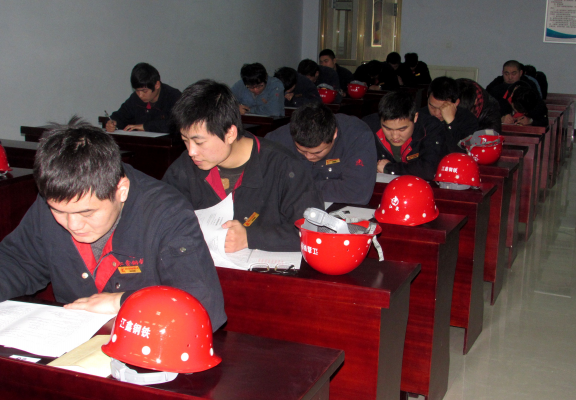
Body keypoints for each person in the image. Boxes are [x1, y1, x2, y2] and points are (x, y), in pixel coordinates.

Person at [0, 118, 226, 330]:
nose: (73, 224)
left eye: (87, 213)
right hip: (72, 337)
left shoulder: (167, 213)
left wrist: (122, 302)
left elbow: (202, 306)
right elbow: (17, 262)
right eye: (59, 211)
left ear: (121, 190)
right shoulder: (56, 199)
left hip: (146, 341)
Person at [162, 80, 323, 252]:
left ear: (230, 133)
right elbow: (161, 215)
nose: (191, 151)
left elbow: (315, 233)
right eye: (185, 140)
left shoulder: (283, 166)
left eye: (199, 142)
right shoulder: (186, 166)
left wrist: (250, 237)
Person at [266, 102, 377, 205]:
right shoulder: (276, 140)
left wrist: (296, 188)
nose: (308, 157)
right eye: (301, 151)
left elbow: (358, 193)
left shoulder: (357, 135)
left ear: (334, 134)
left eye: (317, 152)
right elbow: (267, 187)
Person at [362, 91, 444, 181]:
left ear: (415, 117)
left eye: (402, 129)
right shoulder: (367, 126)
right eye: (388, 129)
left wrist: (389, 168)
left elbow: (428, 170)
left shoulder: (430, 127)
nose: (395, 136)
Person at [106, 63, 181, 133]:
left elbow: (176, 124)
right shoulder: (135, 98)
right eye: (137, 90)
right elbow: (120, 116)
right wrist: (113, 123)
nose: (140, 95)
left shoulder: (173, 97)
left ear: (157, 85)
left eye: (144, 91)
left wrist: (145, 127)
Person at [420, 77, 479, 155]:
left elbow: (464, 153)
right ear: (427, 96)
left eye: (442, 108)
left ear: (456, 103)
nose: (436, 113)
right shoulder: (419, 116)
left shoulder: (468, 119)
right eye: (432, 106)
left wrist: (451, 123)